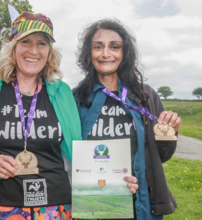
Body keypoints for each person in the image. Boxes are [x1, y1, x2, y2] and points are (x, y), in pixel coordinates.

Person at [0, 12, 83, 220]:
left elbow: (77, 152)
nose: (34, 51)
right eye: (26, 41)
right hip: (2, 207)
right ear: (14, 46)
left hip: (57, 208)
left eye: (42, 43)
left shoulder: (62, 92)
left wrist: (111, 183)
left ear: (49, 51)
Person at [73, 19, 181, 220]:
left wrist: (169, 131)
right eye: (98, 47)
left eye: (114, 47)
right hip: (93, 205)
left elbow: (161, 156)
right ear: (89, 53)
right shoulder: (76, 98)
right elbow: (67, 156)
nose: (106, 54)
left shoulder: (146, 96)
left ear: (124, 53)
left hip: (139, 203)